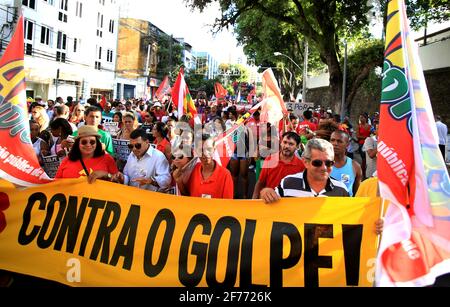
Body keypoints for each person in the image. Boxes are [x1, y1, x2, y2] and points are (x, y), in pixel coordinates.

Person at [260, 138, 348, 203]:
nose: (324, 168)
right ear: (305, 162)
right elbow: (269, 204)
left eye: (329, 163)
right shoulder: (288, 183)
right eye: (317, 163)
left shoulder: (341, 190)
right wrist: (266, 192)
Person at [177, 134, 233, 199]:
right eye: (201, 150)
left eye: (208, 149)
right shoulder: (194, 170)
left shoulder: (225, 175)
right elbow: (187, 196)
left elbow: (227, 205)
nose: (205, 154)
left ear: (214, 149)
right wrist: (179, 181)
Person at [252, 132, 305, 199]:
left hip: (290, 203)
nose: (286, 146)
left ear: (297, 146)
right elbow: (260, 182)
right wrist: (253, 200)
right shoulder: (269, 160)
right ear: (281, 143)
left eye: (291, 144)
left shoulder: (301, 165)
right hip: (270, 201)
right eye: (285, 142)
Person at [330, 130, 362, 196]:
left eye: (339, 141)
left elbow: (357, 194)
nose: (335, 143)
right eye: (332, 140)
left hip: (347, 205)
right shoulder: (321, 164)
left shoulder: (355, 166)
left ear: (347, 144)